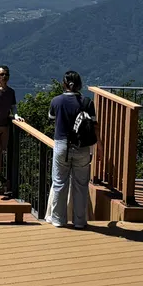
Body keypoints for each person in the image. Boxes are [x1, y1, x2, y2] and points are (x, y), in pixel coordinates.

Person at [47, 70, 96, 229]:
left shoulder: (56, 101)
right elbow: (94, 125)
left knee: (60, 183)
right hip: (82, 147)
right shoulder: (87, 102)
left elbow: (51, 117)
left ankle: (58, 220)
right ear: (79, 84)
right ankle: (80, 221)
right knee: (81, 185)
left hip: (62, 145)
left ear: (64, 84)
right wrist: (98, 148)